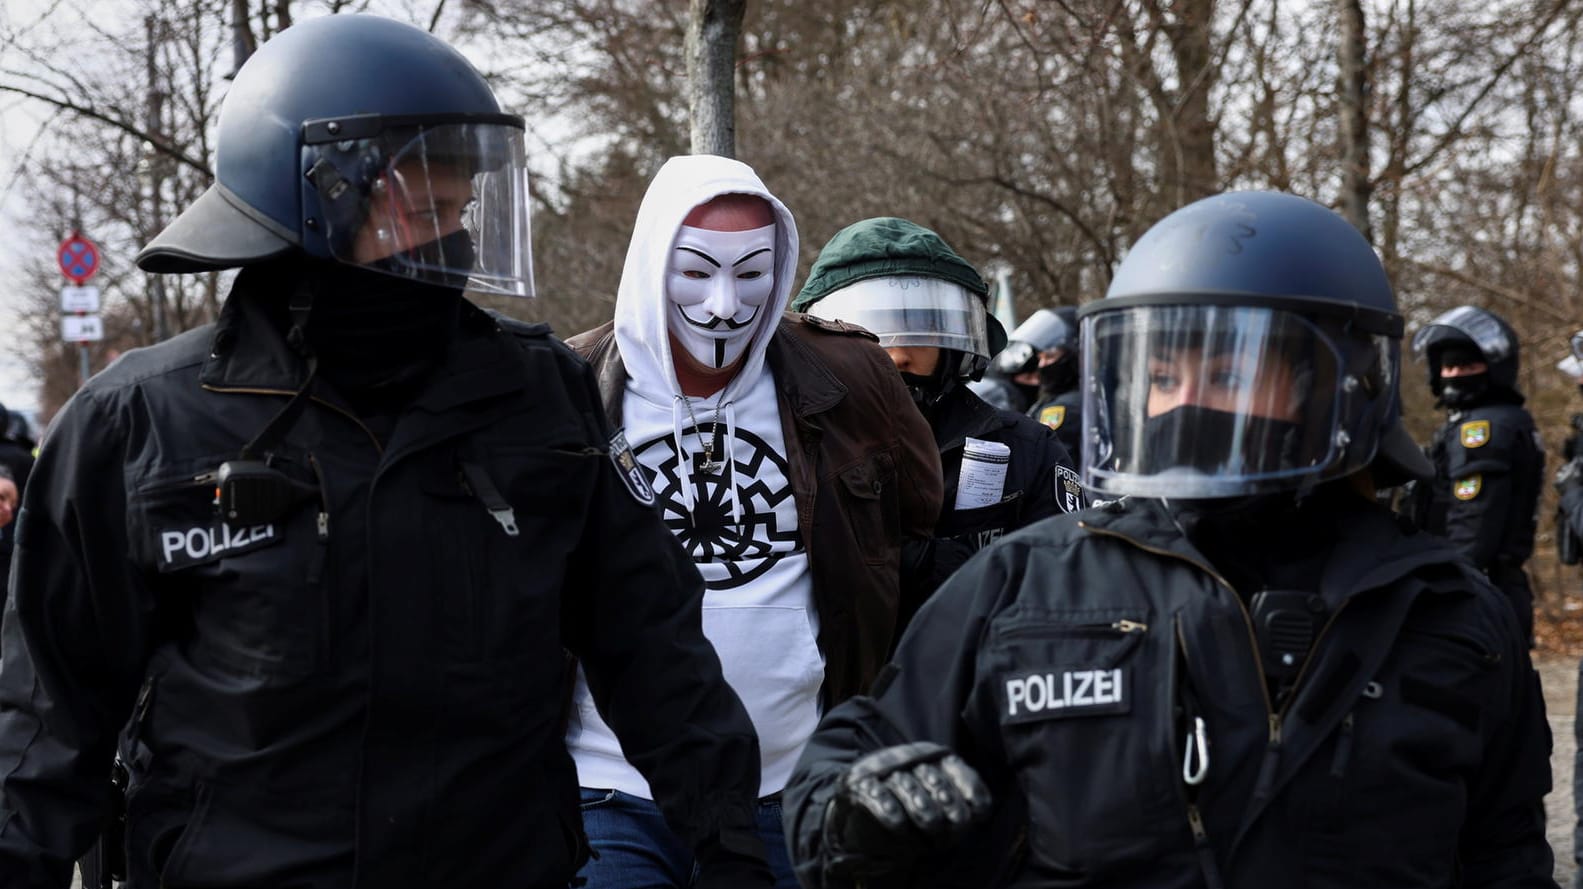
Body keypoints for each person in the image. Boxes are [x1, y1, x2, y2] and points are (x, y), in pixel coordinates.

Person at [0, 16, 773, 889]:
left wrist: (730, 844)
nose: (453, 241)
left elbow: (652, 649)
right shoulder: (140, 424)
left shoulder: (536, 396)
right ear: (315, 202)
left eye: (461, 209)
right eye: (423, 210)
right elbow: (47, 720)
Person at [783, 191, 1555, 888]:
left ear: (1339, 382)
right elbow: (845, 763)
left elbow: (1505, 855)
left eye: (1228, 371)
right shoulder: (1026, 585)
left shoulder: (1448, 617)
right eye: (1162, 376)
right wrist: (858, 815)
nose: (1184, 404)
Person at [563, 156, 943, 889]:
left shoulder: (851, 379)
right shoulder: (568, 387)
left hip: (794, 783)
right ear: (649, 264)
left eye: (752, 272)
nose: (723, 305)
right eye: (696, 271)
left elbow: (914, 528)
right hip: (611, 786)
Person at [792, 216, 1081, 610]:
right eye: (863, 330)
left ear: (952, 341)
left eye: (920, 327)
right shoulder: (790, 449)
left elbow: (1068, 578)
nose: (896, 354)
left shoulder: (1025, 449)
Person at [1405, 305, 1545, 646]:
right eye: (1448, 366)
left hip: (1474, 593)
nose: (1454, 374)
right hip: (1484, 591)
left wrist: (1443, 591)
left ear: (1494, 367)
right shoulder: (1490, 421)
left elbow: (1473, 528)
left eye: (1466, 365)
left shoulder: (1486, 430)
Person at [988, 307, 1084, 460]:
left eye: (1049, 357)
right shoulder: (1073, 398)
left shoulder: (1064, 408)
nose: (1042, 365)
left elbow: (1042, 460)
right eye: (1040, 358)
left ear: (1075, 355)